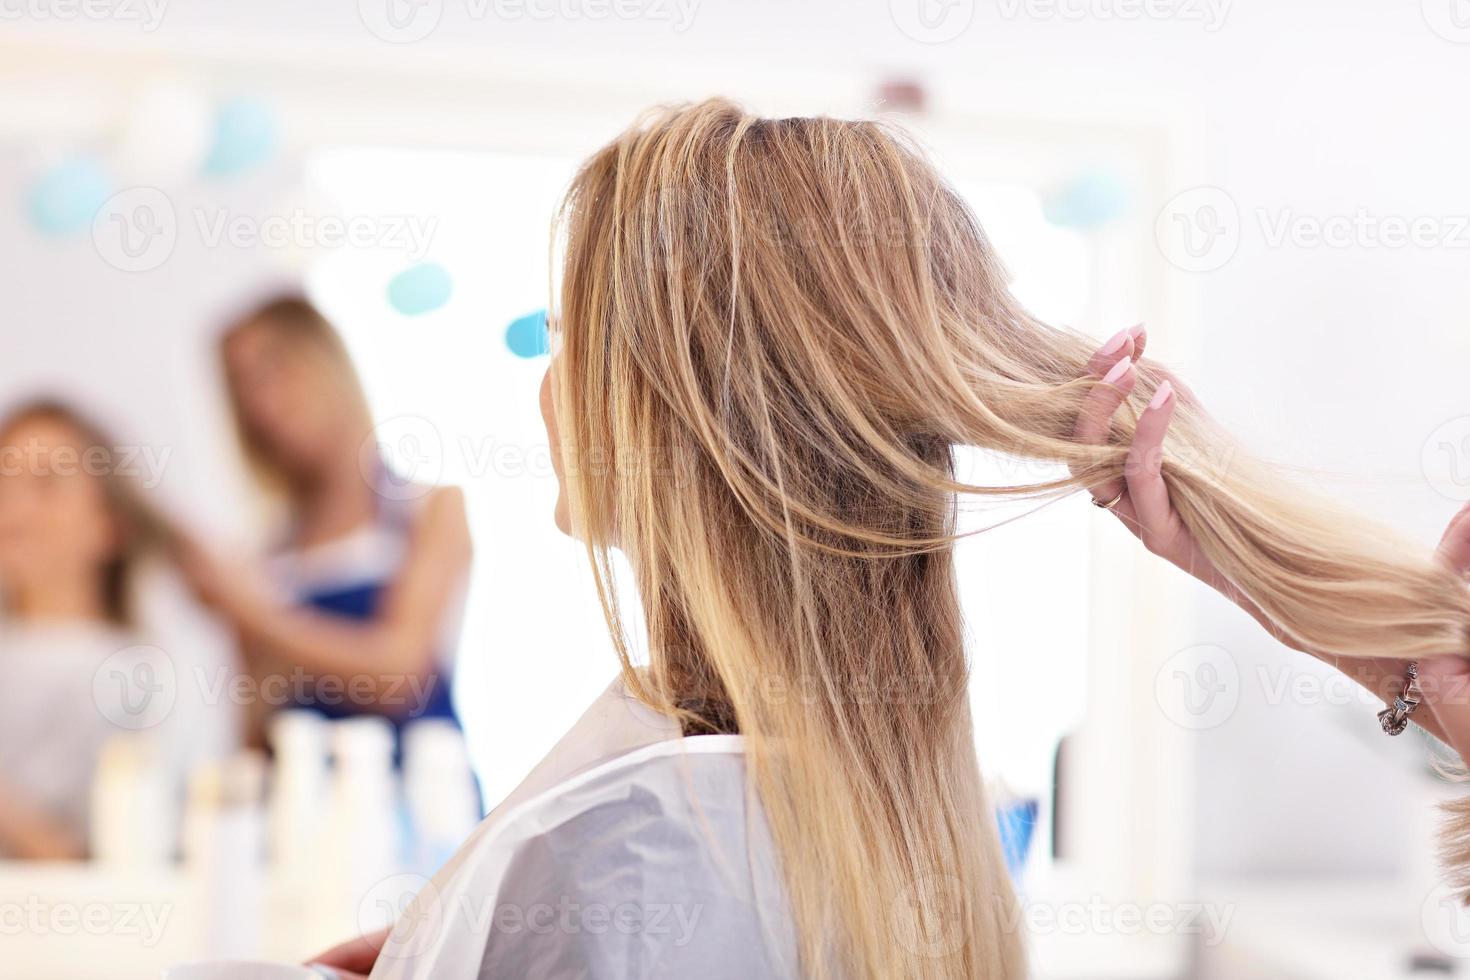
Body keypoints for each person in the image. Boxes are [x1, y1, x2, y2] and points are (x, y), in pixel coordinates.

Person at [310, 101, 1470, 979]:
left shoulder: (624, 850)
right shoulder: (905, 818)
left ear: (670, 411)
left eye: (567, 332)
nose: (550, 381)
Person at [177, 296, 472, 751]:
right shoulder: (262, 557)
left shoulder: (430, 510)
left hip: (427, 806)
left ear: (326, 362)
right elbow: (256, 733)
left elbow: (398, 676)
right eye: (243, 386)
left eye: (277, 368)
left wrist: (251, 614)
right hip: (302, 811)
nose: (262, 402)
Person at [0, 401, 164, 858]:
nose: (14, 509)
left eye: (46, 484)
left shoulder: (137, 678)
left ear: (110, 525)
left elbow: (107, 866)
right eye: (2, 482)